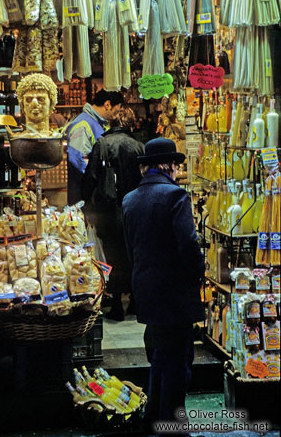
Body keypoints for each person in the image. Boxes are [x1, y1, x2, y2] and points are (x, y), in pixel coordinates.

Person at [122, 138, 205, 434]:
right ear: (167, 165)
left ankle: (153, 418)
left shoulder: (130, 200)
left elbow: (130, 248)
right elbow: (189, 246)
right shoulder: (176, 196)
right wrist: (198, 273)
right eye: (176, 165)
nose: (177, 170)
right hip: (174, 292)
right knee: (178, 363)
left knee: (159, 355)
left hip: (146, 288)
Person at [82, 108, 145, 320]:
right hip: (134, 208)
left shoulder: (101, 144)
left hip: (108, 209)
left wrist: (85, 206)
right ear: (131, 124)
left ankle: (116, 301)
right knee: (134, 254)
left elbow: (91, 177)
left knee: (113, 254)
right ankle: (135, 299)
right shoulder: (139, 147)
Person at [66, 89, 124, 205]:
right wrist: (97, 181)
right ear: (107, 105)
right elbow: (77, 160)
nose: (116, 116)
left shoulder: (99, 124)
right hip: (85, 197)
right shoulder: (83, 124)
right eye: (117, 111)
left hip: (95, 195)